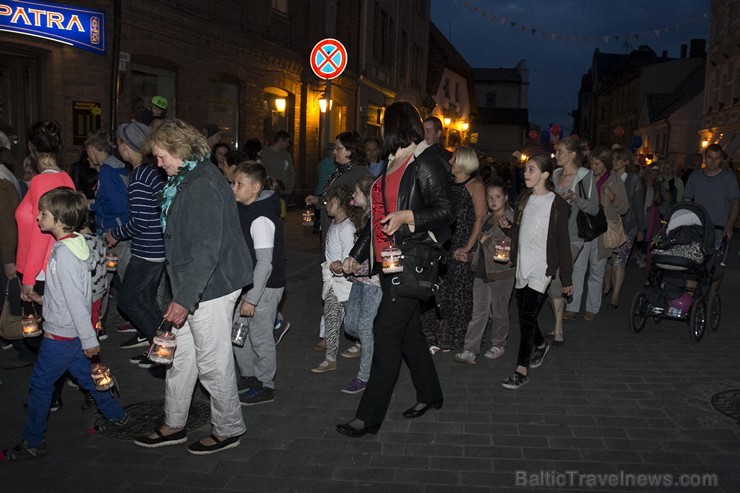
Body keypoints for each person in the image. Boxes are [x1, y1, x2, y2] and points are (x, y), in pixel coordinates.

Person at [133, 119, 252, 455]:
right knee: (180, 357)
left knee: (213, 363)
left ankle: (229, 429)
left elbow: (206, 249)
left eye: (160, 156)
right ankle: (174, 423)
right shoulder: (187, 178)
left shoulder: (201, 182)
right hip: (193, 284)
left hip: (212, 285)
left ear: (179, 148)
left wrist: (184, 300)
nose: (158, 164)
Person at [335, 101, 453, 437]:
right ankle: (431, 394)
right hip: (388, 262)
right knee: (410, 334)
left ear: (395, 126)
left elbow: (446, 211)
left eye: (383, 126)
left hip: (411, 262)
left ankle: (368, 417)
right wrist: (358, 255)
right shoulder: (392, 161)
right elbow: (377, 217)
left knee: (386, 331)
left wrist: (409, 217)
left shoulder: (426, 161)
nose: (380, 132)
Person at [2, 187, 133, 461]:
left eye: (43, 213)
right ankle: (116, 415)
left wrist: (90, 342)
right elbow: (68, 294)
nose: (38, 218)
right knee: (87, 377)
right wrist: (40, 298)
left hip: (62, 335)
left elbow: (76, 302)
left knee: (40, 385)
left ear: (59, 220)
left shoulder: (64, 255)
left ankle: (33, 441)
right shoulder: (74, 245)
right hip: (70, 332)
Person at [499, 155, 572, 389]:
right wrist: (510, 229)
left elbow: (563, 244)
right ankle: (541, 345)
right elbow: (523, 232)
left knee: (527, 316)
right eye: (525, 169)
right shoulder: (524, 199)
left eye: (531, 169)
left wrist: (567, 279)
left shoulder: (558, 204)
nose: (525, 173)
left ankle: (522, 369)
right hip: (523, 263)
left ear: (545, 175)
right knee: (525, 314)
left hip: (543, 266)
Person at [105, 122, 166, 365]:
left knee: (128, 300)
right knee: (147, 302)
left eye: (119, 142)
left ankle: (163, 348)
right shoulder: (152, 171)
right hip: (156, 248)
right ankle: (160, 346)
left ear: (125, 146)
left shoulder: (140, 175)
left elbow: (139, 221)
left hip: (147, 251)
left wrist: (116, 233)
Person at [423, 146, 486, 353]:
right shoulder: (448, 184)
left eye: (454, 160)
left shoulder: (475, 185)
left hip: (462, 244)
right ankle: (440, 338)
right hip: (444, 244)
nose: (450, 163)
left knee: (459, 295)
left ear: (465, 163)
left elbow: (479, 218)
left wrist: (468, 247)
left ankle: (456, 338)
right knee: (441, 291)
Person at [230, 163, 284, 406]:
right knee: (238, 334)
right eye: (233, 183)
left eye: (239, 184)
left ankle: (266, 385)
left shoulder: (261, 217)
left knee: (261, 338)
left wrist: (252, 298)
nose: (233, 188)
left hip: (264, 288)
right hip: (248, 285)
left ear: (255, 187)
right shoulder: (245, 208)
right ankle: (249, 376)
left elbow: (265, 263)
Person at [453, 177, 515, 364]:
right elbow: (481, 249)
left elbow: (507, 249)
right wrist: (470, 257)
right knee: (479, 312)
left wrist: (487, 242)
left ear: (505, 198)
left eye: (497, 196)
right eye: (489, 197)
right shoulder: (487, 218)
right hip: (482, 271)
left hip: (500, 273)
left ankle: (498, 344)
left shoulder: (510, 220)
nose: (493, 201)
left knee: (499, 311)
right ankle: (470, 350)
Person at [564, 147, 628, 321]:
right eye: (591, 163)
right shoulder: (585, 178)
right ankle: (572, 307)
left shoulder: (615, 181)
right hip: (583, 227)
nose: (593, 166)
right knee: (578, 268)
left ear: (605, 164)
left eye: (597, 163)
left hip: (602, 231)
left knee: (597, 270)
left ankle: (592, 308)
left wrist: (612, 197)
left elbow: (624, 207)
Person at [549, 137, 598, 344]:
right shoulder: (554, 174)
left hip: (573, 236)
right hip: (552, 235)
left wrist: (575, 198)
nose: (556, 155)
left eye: (560, 151)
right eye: (556, 151)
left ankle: (559, 328)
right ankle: (558, 325)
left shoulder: (585, 176)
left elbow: (594, 208)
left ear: (572, 154)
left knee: (559, 275)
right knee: (551, 279)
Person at [311, 184, 363, 374]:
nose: (325, 207)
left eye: (326, 203)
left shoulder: (347, 227)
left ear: (335, 202)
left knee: (355, 322)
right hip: (334, 283)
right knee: (332, 317)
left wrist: (340, 269)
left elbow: (349, 259)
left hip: (346, 285)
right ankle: (330, 358)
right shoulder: (335, 224)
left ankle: (362, 344)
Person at [683, 143, 739, 315]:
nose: (713, 162)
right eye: (710, 158)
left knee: (715, 266)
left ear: (721, 159)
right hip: (698, 229)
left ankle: (711, 296)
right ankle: (689, 298)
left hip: (719, 229)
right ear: (705, 158)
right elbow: (687, 200)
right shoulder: (695, 177)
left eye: (716, 158)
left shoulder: (728, 178)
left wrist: (729, 225)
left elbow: (735, 202)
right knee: (692, 263)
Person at [339, 175, 380, 393]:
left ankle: (365, 376)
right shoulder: (364, 218)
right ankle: (377, 340)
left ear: (366, 195)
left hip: (374, 282)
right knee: (351, 325)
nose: (353, 196)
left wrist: (353, 266)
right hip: (358, 280)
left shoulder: (376, 220)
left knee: (363, 327)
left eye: (356, 192)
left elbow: (375, 257)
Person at [604, 147, 644, 308]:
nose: (614, 161)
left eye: (618, 159)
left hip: (628, 225)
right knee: (608, 259)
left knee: (620, 260)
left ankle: (615, 295)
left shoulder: (634, 180)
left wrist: (641, 229)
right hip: (609, 224)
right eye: (613, 158)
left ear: (626, 162)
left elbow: (639, 206)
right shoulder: (609, 177)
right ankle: (607, 286)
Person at [261, 130, 295, 196]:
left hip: (284, 192)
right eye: (287, 142)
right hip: (269, 192)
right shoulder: (265, 154)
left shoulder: (286, 155)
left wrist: (289, 190)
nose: (288, 144)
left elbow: (291, 173)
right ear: (281, 141)